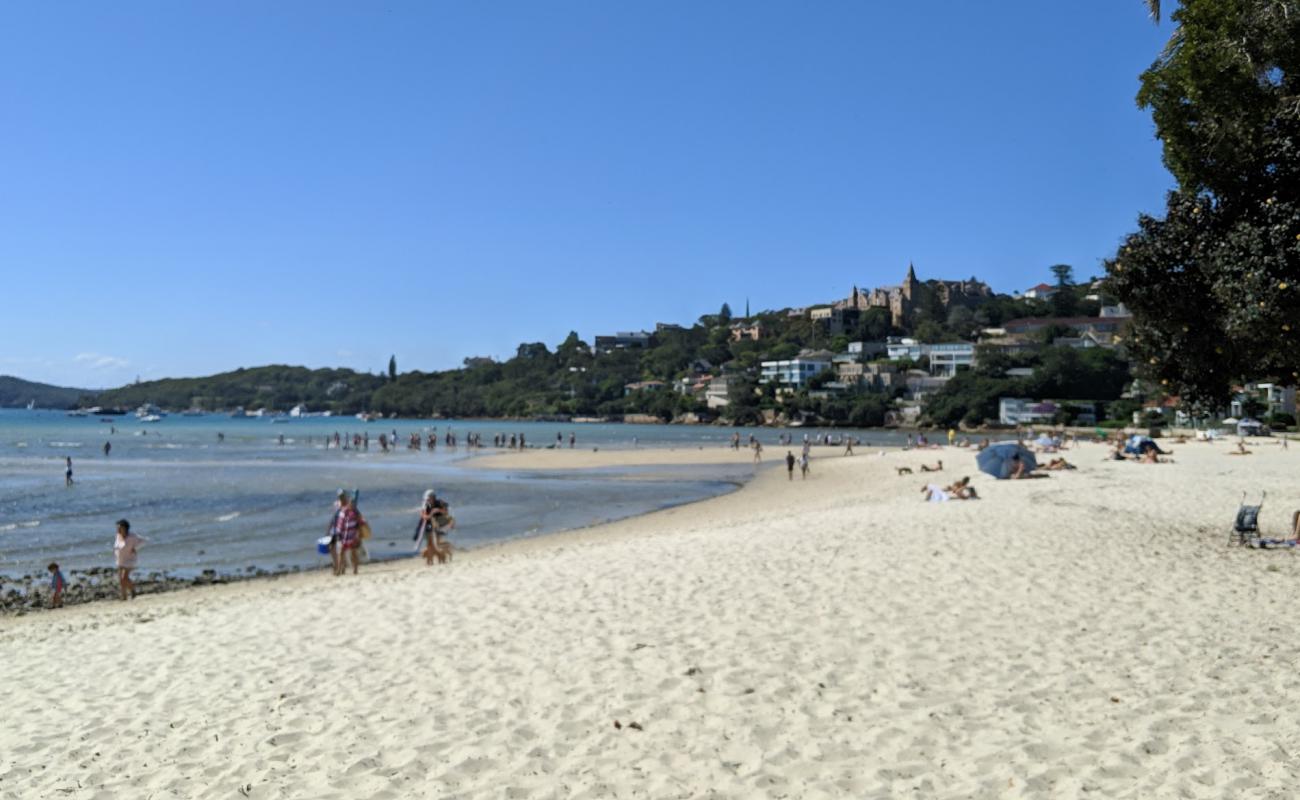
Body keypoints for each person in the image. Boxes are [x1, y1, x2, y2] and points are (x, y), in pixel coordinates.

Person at [114, 519, 144, 600]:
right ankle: (124, 597)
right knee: (121, 580)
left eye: (119, 528)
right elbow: (118, 546)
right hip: (120, 559)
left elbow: (143, 541)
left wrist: (135, 548)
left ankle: (133, 590)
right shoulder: (118, 536)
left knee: (124, 578)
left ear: (125, 528)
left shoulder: (132, 536)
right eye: (117, 528)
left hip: (130, 559)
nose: (118, 529)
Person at [334, 494, 363, 575]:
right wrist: (338, 534)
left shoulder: (356, 513)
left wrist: (358, 535)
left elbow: (359, 524)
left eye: (353, 503)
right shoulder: (343, 512)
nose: (352, 505)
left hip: (352, 536)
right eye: (351, 503)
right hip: (344, 536)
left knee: (353, 553)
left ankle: (355, 569)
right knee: (340, 553)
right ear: (348, 503)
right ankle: (339, 570)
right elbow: (340, 523)